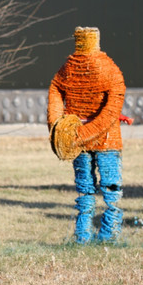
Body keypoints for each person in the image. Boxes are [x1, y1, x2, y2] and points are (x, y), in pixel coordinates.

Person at [47, 26, 126, 244]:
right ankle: (101, 236)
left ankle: (88, 236)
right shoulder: (107, 68)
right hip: (97, 138)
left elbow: (112, 107)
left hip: (85, 138)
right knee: (105, 187)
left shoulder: (73, 68)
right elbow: (56, 89)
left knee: (90, 188)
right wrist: (58, 126)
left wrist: (64, 130)